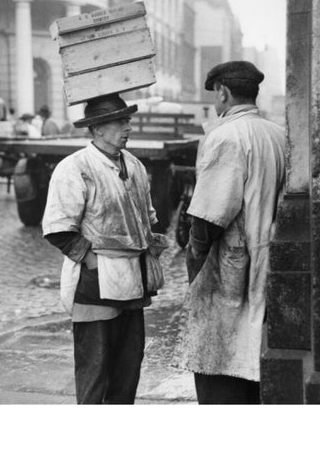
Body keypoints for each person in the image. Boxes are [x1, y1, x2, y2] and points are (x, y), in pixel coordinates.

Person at [172, 61, 285, 404]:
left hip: (231, 267)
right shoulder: (278, 133)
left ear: (222, 91)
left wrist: (195, 262)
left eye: (215, 95)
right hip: (268, 258)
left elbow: (208, 215)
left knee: (220, 362)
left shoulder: (225, 135)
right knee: (254, 358)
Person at [42, 93, 166, 404]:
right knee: (95, 369)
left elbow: (147, 216)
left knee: (127, 367)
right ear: (97, 129)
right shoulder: (75, 168)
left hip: (133, 282)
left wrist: (151, 241)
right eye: (120, 121)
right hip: (94, 284)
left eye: (128, 120)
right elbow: (58, 228)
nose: (129, 127)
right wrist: (93, 261)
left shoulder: (135, 166)